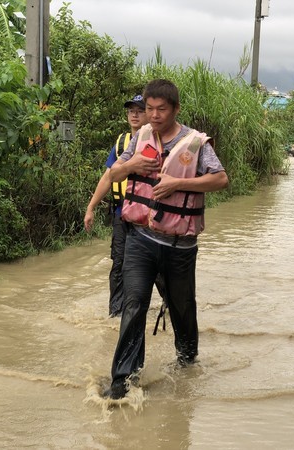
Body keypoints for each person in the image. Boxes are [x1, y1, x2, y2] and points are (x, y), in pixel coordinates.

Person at [105, 79, 229, 399]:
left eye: (161, 109)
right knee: (134, 304)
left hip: (179, 246)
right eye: (149, 109)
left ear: (175, 110)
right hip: (141, 239)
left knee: (182, 308)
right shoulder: (140, 137)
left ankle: (187, 362)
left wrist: (177, 184)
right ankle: (123, 381)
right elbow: (115, 174)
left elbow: (220, 179)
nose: (154, 115)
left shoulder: (195, 143)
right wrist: (131, 163)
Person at [84, 95, 149, 317]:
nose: (134, 114)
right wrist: (91, 207)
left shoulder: (156, 142)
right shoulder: (121, 143)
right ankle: (116, 313)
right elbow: (107, 178)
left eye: (139, 110)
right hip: (122, 214)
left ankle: (169, 309)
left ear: (149, 113)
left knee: (156, 269)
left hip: (147, 217)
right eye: (131, 110)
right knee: (118, 263)